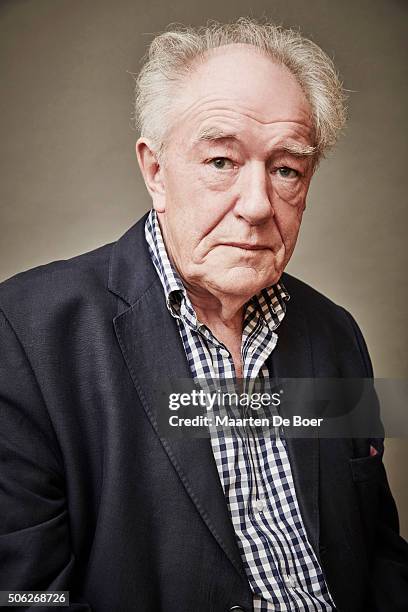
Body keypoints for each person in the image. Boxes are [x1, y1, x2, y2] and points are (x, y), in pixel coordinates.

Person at [0, 17, 407, 612]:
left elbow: (379, 554)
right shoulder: (24, 333)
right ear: (156, 171)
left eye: (286, 169)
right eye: (221, 161)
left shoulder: (338, 332)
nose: (257, 205)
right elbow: (25, 596)